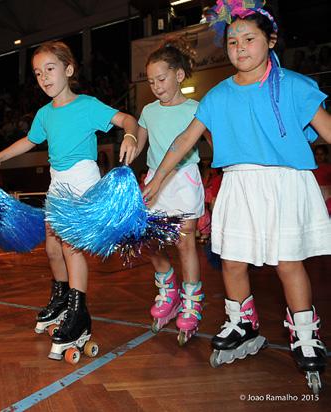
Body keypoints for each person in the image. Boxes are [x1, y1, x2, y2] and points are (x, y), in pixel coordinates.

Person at [143, 2, 330, 392]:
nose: (240, 47)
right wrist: (158, 179)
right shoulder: (217, 96)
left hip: (285, 183)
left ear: (270, 41)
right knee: (232, 262)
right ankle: (241, 321)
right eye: (232, 41)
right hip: (239, 183)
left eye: (249, 39)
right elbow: (183, 143)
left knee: (288, 264)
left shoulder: (294, 86)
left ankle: (304, 332)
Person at [0, 41, 138, 361]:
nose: (44, 77)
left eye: (50, 69)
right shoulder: (43, 114)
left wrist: (130, 134)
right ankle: (62, 298)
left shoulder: (87, 105)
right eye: (38, 73)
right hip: (57, 182)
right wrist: (0, 155)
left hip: (82, 180)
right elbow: (29, 141)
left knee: (69, 247)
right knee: (53, 247)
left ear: (68, 70)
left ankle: (80, 312)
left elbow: (126, 120)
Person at [136, 36, 208, 345]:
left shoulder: (197, 109)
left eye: (161, 78)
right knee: (148, 240)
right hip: (156, 180)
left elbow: (215, 143)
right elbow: (138, 143)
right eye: (151, 81)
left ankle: (191, 301)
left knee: (185, 242)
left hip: (184, 178)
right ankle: (168, 288)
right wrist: (128, 144)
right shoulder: (149, 111)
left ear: (179, 75)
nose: (156, 85)